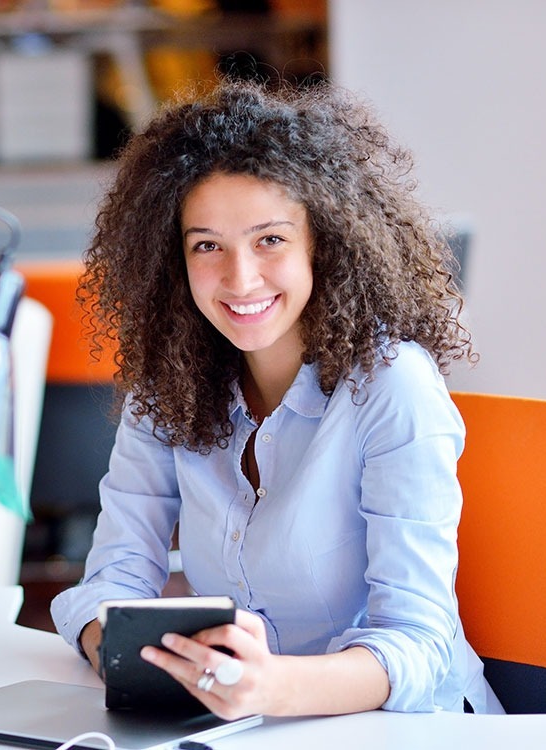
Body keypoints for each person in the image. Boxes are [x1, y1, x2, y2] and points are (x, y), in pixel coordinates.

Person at [50, 80, 501, 718]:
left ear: (324, 240)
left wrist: (269, 688)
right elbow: (112, 581)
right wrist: (126, 656)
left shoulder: (391, 385)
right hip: (246, 724)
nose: (240, 279)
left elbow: (419, 644)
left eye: (270, 240)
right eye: (207, 245)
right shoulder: (168, 386)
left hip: (399, 728)